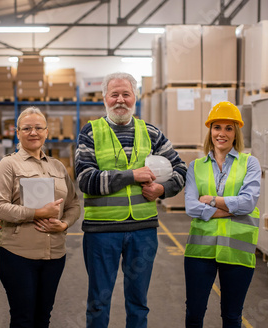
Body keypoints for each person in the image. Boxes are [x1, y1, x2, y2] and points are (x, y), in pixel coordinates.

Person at [75, 72, 187, 328]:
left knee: (138, 302)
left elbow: (181, 169)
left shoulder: (151, 133)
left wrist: (162, 189)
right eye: (114, 94)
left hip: (143, 230)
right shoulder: (90, 132)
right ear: (105, 98)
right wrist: (130, 176)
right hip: (102, 232)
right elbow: (85, 179)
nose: (120, 100)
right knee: (98, 302)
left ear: (135, 98)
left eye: (126, 94)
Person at [0, 106, 81, 328]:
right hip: (18, 256)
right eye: (27, 128)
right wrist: (37, 213)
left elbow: (74, 204)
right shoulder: (9, 164)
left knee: (43, 317)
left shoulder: (58, 167)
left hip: (54, 257)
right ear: (18, 132)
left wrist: (65, 224)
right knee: (23, 318)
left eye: (38, 128)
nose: (33, 132)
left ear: (47, 132)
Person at [183, 101, 261, 328]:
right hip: (200, 251)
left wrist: (212, 201)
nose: (222, 133)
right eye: (217, 127)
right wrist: (230, 209)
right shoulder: (195, 166)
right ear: (210, 130)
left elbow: (248, 203)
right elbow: (191, 207)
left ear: (236, 132)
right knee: (194, 314)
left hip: (237, 253)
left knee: (232, 316)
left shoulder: (250, 163)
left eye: (229, 128)